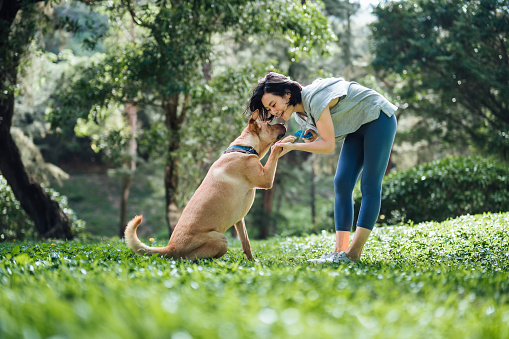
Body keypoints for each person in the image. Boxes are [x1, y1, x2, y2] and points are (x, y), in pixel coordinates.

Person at [248, 72, 397, 263]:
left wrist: (293, 146)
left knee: (369, 184)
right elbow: (321, 133)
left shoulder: (315, 98)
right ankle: (339, 252)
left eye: (273, 105)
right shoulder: (301, 116)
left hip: (378, 118)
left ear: (286, 94)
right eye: (269, 109)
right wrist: (312, 133)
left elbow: (328, 145)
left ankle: (353, 253)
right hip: (357, 127)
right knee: (342, 183)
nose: (274, 112)